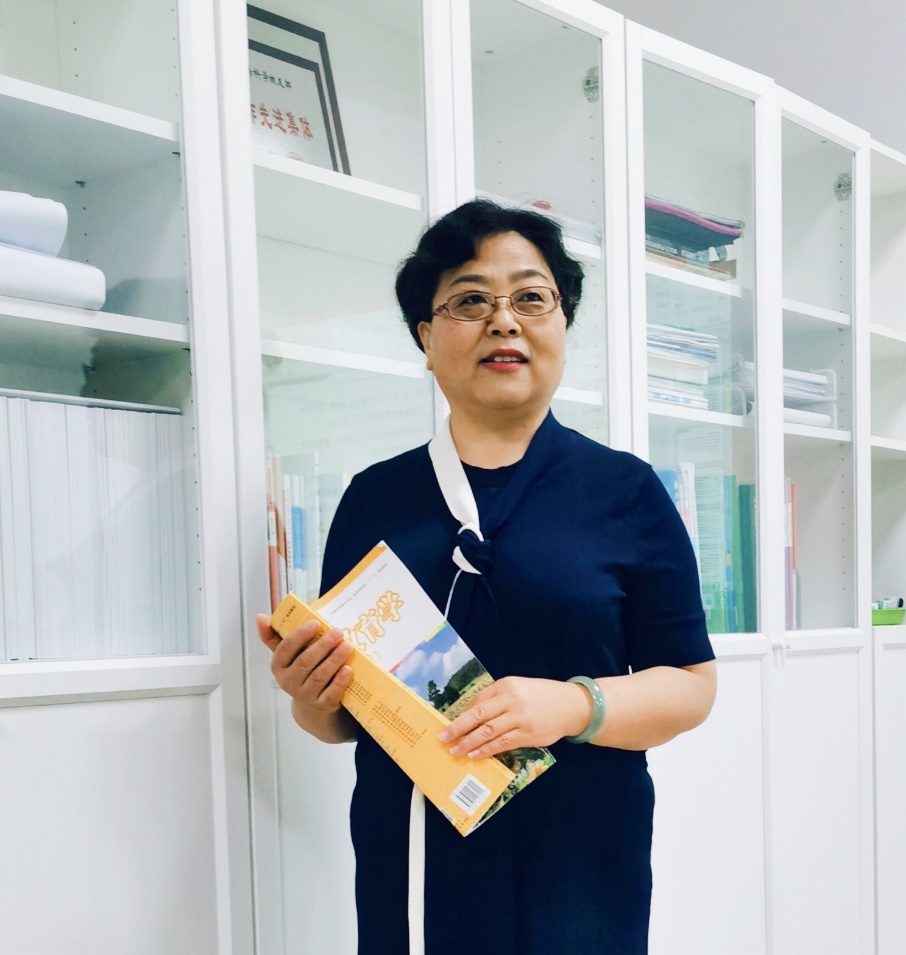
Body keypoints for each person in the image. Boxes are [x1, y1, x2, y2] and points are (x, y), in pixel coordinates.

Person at [257, 198, 717, 954]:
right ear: (425, 338)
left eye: (531, 298)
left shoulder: (626, 492)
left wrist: (572, 705)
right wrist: (312, 695)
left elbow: (691, 685)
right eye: (470, 301)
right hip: (414, 862)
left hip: (579, 864)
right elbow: (341, 721)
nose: (504, 321)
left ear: (561, 323)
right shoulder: (374, 498)